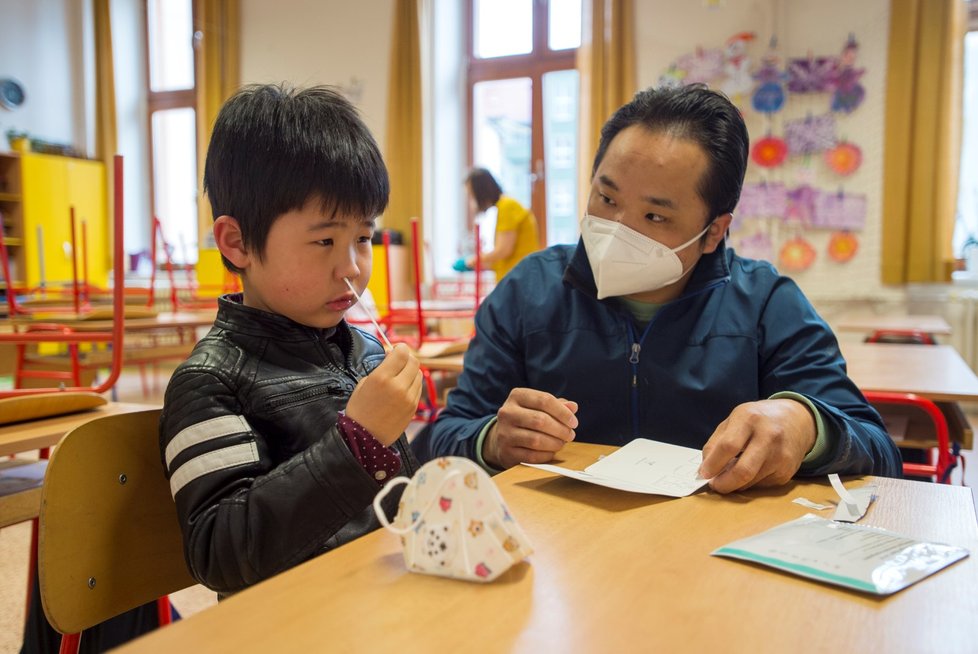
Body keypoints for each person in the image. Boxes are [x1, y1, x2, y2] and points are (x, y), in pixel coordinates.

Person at [426, 84, 901, 492]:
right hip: (561, 563)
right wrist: (490, 440)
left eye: (654, 216)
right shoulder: (528, 293)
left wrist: (807, 424)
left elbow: (878, 450)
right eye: (605, 197)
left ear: (714, 230)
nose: (616, 228)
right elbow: (442, 437)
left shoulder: (766, 305)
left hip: (713, 560)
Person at [158, 84, 423, 595]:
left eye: (363, 239)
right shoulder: (211, 381)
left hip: (381, 606)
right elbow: (219, 552)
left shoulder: (365, 353)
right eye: (324, 240)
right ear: (237, 243)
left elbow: (399, 506)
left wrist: (490, 446)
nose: (352, 268)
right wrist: (359, 444)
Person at [453, 168, 541, 280]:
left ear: (481, 191)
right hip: (516, 278)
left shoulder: (507, 206)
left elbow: (503, 251)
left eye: (472, 195)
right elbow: (503, 257)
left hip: (519, 279)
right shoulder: (504, 206)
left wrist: (474, 259)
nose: (472, 201)